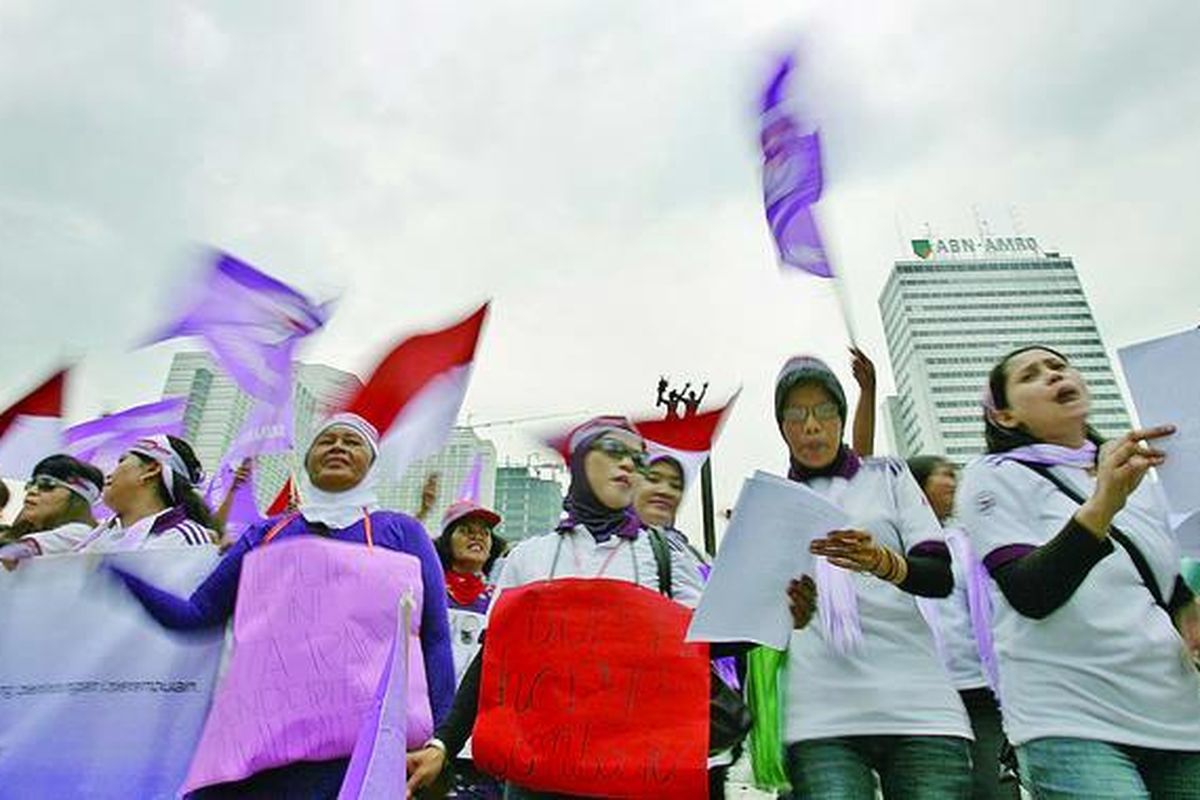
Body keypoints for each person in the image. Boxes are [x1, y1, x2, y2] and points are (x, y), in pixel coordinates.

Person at [109, 414, 455, 798]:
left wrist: (440, 740)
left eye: (352, 442)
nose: (338, 446)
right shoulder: (266, 533)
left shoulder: (402, 532)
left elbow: (436, 639)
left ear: (372, 464)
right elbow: (196, 616)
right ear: (307, 461)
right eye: (326, 441)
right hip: (259, 755)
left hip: (360, 756)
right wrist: (115, 572)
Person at [406, 416, 708, 798]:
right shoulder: (530, 556)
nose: (629, 464)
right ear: (580, 460)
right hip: (536, 778)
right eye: (614, 450)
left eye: (639, 459)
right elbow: (492, 661)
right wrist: (443, 744)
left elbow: (711, 641)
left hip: (630, 778)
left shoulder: (666, 557)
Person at [958, 345, 1200, 798]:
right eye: (1031, 374)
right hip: (1071, 719)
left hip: (1179, 717)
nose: (1053, 375)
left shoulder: (1138, 478)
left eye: (1058, 365)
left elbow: (1164, 585)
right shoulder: (992, 476)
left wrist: (1187, 613)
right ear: (1005, 416)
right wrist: (1103, 503)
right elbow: (1031, 592)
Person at [762, 355, 972, 799]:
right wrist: (786, 613)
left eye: (824, 411)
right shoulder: (768, 504)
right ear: (782, 427)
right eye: (796, 416)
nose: (812, 426)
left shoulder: (889, 476)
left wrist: (883, 561)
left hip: (918, 706)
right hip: (823, 718)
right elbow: (751, 617)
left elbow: (938, 577)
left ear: (841, 416)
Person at [908, 455, 1014, 800]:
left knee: (996, 787)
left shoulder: (970, 541)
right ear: (916, 486)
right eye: (945, 474)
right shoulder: (893, 548)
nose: (954, 482)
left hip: (983, 689)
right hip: (926, 695)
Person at [433, 498, 506, 799]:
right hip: (430, 740)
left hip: (482, 747)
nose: (477, 536)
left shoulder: (502, 600)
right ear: (447, 540)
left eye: (484, 532)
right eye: (466, 530)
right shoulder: (427, 592)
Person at [75, 435, 216, 552]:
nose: (109, 475)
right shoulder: (100, 533)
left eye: (122, 461)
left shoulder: (183, 537)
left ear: (151, 469)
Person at [0, 454, 104, 562]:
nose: (32, 491)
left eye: (47, 485)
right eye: (31, 484)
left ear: (77, 499)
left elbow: (15, 552)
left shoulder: (82, 533)